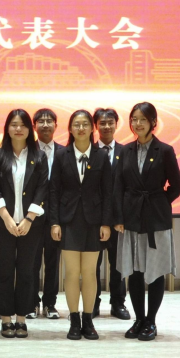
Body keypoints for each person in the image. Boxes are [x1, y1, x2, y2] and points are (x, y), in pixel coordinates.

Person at [114, 102, 180, 341]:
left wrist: (159, 202)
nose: (138, 124)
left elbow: (177, 185)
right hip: (131, 219)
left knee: (154, 272)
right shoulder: (125, 151)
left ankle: (151, 321)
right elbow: (118, 186)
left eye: (143, 119)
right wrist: (119, 217)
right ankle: (139, 319)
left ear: (153, 122)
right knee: (134, 272)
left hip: (156, 221)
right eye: (134, 119)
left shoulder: (165, 150)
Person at [49, 109, 112, 341]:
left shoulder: (101, 156)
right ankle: (74, 319)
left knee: (90, 272)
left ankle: (88, 320)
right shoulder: (61, 155)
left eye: (85, 124)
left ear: (92, 128)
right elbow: (53, 191)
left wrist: (106, 223)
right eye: (77, 124)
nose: (81, 128)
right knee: (72, 272)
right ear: (70, 128)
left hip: (94, 222)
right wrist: (54, 222)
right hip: (68, 220)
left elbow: (108, 192)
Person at [0, 109, 49, 339]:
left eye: (23, 124)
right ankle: (5, 318)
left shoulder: (39, 156)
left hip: (31, 225)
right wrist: (6, 217)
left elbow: (42, 188)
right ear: (7, 128)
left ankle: (22, 317)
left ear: (29, 129)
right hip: (2, 224)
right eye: (14, 124)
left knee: (26, 271)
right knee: (4, 270)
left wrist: (29, 218)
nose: (18, 128)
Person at [92, 107, 130, 320]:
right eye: (102, 123)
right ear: (96, 126)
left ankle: (118, 303)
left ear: (116, 124)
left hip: (118, 221)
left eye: (110, 123)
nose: (106, 126)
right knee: (92, 266)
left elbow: (127, 187)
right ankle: (93, 303)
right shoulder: (89, 151)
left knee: (118, 265)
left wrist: (121, 217)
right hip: (93, 219)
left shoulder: (125, 152)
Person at [31, 108, 63, 320]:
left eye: (49, 121)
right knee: (31, 262)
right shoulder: (28, 151)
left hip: (56, 217)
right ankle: (31, 302)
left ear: (55, 125)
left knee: (53, 262)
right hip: (32, 216)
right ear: (34, 126)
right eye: (40, 121)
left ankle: (50, 303)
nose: (45, 124)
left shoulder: (64, 152)